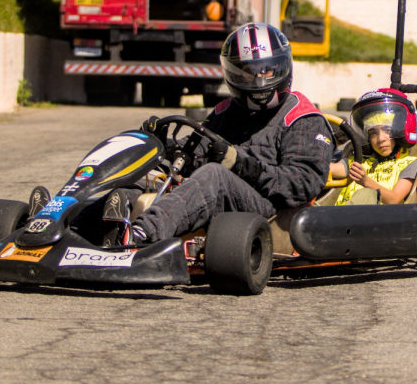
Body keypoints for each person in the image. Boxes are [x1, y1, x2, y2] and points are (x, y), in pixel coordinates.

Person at [111, 22, 334, 244]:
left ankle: (141, 236)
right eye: (249, 73)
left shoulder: (302, 117)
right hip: (221, 197)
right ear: (233, 73)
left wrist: (245, 167)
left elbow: (304, 184)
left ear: (282, 66)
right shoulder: (227, 111)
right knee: (145, 175)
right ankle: (90, 229)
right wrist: (163, 147)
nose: (259, 80)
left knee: (214, 175)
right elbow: (193, 151)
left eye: (266, 70)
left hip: (270, 208)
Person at [329, 89, 417, 205]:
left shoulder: (410, 164)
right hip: (341, 218)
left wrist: (365, 181)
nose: (381, 139)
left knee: (366, 193)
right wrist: (333, 142)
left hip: (384, 219)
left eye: (387, 130)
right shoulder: (359, 162)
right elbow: (327, 169)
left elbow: (394, 199)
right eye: (373, 133)